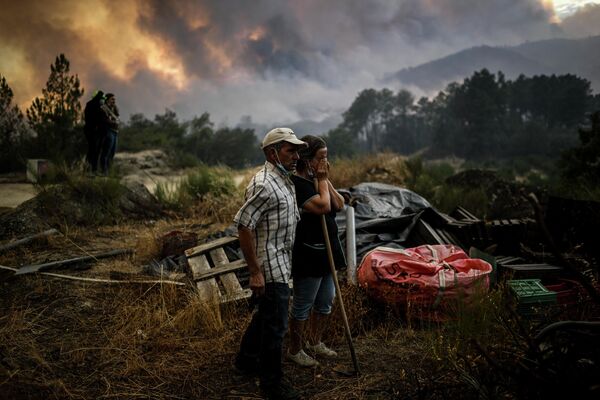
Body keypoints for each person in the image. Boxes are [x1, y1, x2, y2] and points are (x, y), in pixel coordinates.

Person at [233, 127, 307, 400]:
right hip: (269, 264)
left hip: (282, 260)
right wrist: (254, 272)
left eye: (296, 150)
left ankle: (245, 360)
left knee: (266, 315)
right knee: (277, 325)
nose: (296, 156)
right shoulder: (264, 183)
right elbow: (244, 225)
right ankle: (272, 384)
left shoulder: (285, 178)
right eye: (290, 150)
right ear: (271, 153)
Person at [287, 135, 346, 367]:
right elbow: (324, 206)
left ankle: (315, 341)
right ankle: (295, 349)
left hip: (327, 252)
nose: (326, 161)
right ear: (306, 159)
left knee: (325, 301)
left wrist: (324, 179)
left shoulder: (317, 180)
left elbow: (338, 204)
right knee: (303, 304)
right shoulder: (297, 185)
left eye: (326, 157)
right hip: (309, 253)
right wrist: (320, 179)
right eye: (321, 157)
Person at [98, 93, 120, 176]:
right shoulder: (103, 108)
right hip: (108, 131)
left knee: (112, 153)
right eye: (112, 99)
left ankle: (109, 172)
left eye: (114, 99)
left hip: (115, 132)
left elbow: (117, 117)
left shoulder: (114, 108)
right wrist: (113, 122)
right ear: (107, 100)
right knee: (106, 152)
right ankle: (104, 172)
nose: (114, 101)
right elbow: (104, 120)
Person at [83, 90, 105, 174]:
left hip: (97, 131)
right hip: (91, 131)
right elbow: (90, 118)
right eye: (102, 98)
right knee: (92, 150)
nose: (103, 100)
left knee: (97, 151)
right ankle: (88, 169)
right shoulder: (91, 105)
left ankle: (94, 169)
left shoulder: (99, 106)